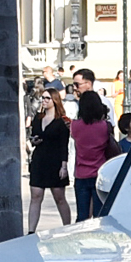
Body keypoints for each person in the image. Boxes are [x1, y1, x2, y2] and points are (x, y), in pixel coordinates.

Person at [27, 87, 74, 232]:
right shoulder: (38, 118)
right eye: (43, 98)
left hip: (55, 161)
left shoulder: (62, 122)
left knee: (59, 197)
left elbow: (63, 145)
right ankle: (31, 230)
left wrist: (64, 166)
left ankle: (67, 227)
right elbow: (34, 136)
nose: (44, 101)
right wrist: (34, 141)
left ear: (54, 100)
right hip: (39, 159)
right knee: (36, 195)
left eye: (47, 98)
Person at [70, 86, 118, 221]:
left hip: (81, 173)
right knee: (99, 216)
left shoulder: (75, 125)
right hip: (100, 173)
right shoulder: (104, 126)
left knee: (82, 216)